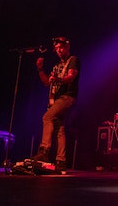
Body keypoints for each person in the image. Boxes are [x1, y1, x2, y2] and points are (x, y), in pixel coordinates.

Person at [32, 36, 80, 174]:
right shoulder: (56, 66)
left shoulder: (73, 60)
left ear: (67, 47)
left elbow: (71, 77)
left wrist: (58, 79)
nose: (59, 50)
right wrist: (40, 69)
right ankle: (61, 161)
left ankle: (44, 150)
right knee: (60, 128)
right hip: (58, 99)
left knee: (47, 117)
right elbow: (47, 82)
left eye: (61, 47)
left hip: (67, 97)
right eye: (57, 49)